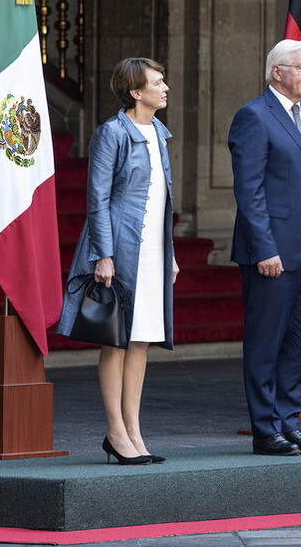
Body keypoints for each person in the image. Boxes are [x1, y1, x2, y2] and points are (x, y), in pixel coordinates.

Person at [57, 57, 180, 465]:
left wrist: (172, 253)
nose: (165, 88)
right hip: (120, 248)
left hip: (152, 252)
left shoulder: (160, 133)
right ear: (136, 92)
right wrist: (103, 255)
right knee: (116, 338)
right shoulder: (111, 133)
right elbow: (98, 199)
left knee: (141, 339)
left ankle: (134, 430)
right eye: (157, 83)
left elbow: (163, 205)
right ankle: (115, 430)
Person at [228, 39, 301, 456]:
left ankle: (288, 421)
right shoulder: (253, 117)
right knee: (266, 341)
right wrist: (265, 249)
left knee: (298, 341)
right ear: (277, 72)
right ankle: (264, 428)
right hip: (271, 252)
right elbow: (250, 191)